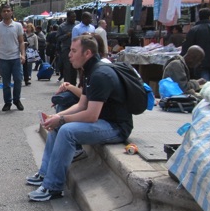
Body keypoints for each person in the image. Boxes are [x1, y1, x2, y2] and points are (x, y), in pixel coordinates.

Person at [26, 35, 133, 201]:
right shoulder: (90, 71)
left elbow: (91, 115)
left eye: (74, 51)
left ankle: (53, 187)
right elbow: (82, 105)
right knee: (58, 125)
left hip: (116, 127)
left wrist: (62, 120)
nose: (69, 55)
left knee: (67, 130)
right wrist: (57, 116)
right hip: (102, 122)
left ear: (87, 53)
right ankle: (45, 173)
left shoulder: (100, 74)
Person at [0, 4, 25, 111]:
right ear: (1, 13)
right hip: (3, 58)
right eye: (4, 11)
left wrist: (23, 54)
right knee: (5, 82)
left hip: (16, 58)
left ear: (11, 12)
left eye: (8, 11)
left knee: (18, 80)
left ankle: (17, 100)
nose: (6, 13)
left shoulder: (18, 26)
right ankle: (7, 102)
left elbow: (21, 42)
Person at [55, 11, 78, 84]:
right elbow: (58, 38)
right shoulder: (62, 26)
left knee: (75, 67)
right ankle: (67, 86)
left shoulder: (77, 24)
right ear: (68, 17)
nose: (74, 18)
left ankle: (73, 85)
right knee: (67, 68)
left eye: (75, 17)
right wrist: (67, 35)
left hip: (76, 49)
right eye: (72, 17)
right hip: (66, 49)